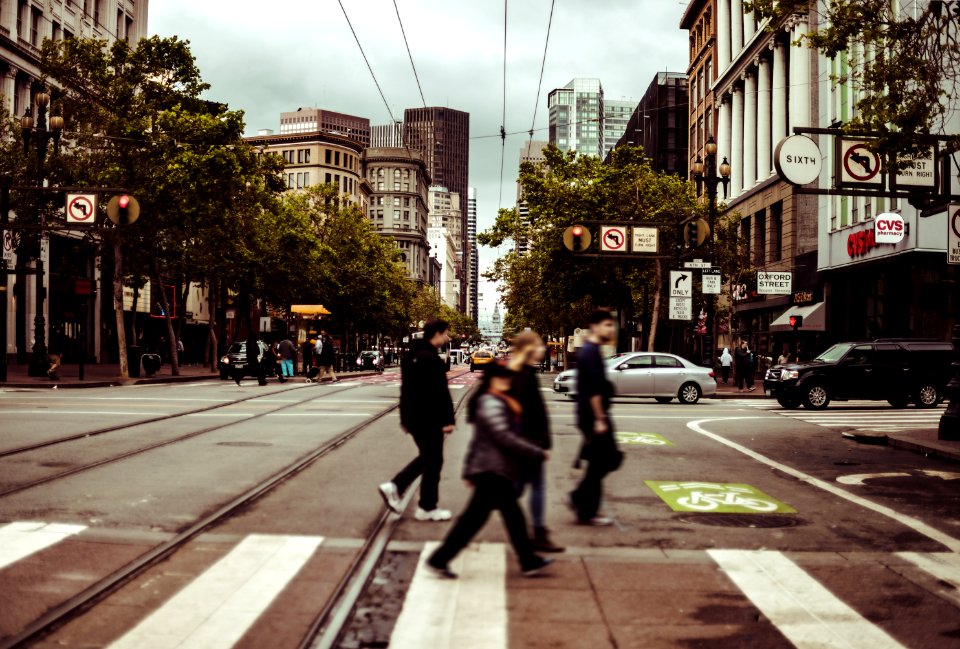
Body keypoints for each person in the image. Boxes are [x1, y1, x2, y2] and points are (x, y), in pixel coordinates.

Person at [426, 361, 552, 579]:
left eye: (508, 377)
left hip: (492, 470)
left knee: (495, 519)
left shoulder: (498, 401)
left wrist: (468, 470)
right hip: (492, 472)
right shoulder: (491, 403)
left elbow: (478, 442)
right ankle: (527, 560)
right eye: (502, 377)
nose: (507, 380)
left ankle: (527, 559)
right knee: (490, 520)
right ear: (492, 380)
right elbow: (503, 437)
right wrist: (535, 452)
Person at [379, 319, 456, 521]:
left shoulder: (410, 356)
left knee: (430, 459)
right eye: (446, 333)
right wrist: (448, 420)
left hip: (413, 417)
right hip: (430, 418)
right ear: (437, 334)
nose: (447, 338)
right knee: (432, 459)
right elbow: (441, 393)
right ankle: (402, 490)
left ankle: (424, 504)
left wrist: (405, 418)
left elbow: (406, 390)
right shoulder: (432, 360)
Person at [508, 331, 563, 553]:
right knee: (529, 487)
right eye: (540, 344)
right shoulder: (524, 376)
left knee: (515, 489)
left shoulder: (523, 373)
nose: (543, 348)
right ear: (530, 349)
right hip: (528, 445)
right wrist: (541, 443)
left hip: (526, 444)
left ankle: (537, 532)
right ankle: (538, 532)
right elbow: (532, 414)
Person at [569, 309, 622, 526]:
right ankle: (584, 506)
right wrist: (599, 419)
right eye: (608, 325)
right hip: (594, 416)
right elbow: (593, 391)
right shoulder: (590, 352)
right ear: (595, 326)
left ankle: (582, 502)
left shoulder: (594, 351)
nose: (612, 329)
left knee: (601, 462)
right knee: (606, 460)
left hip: (593, 416)